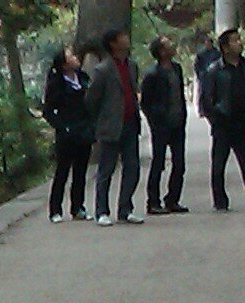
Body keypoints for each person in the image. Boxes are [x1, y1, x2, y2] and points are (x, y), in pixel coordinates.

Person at [199, 28, 245, 211]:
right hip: (223, 125)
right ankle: (220, 202)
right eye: (234, 40)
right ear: (224, 47)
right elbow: (207, 100)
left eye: (239, 39)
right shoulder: (214, 71)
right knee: (218, 166)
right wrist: (216, 118)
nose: (239, 43)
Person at [85, 29, 144, 226]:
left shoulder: (132, 66)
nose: (127, 39)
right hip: (110, 125)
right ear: (113, 43)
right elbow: (92, 99)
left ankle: (125, 209)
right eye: (123, 38)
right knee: (106, 169)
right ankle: (101, 211)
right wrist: (99, 120)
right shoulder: (103, 70)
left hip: (130, 123)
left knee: (132, 167)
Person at [42, 48, 93, 222]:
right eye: (70, 56)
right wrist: (62, 127)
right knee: (62, 172)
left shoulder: (83, 78)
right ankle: (55, 210)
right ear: (64, 64)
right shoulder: (57, 83)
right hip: (67, 134)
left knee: (81, 172)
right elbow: (48, 110)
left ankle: (78, 207)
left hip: (84, 131)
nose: (75, 57)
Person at [140, 37, 189, 213]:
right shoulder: (152, 74)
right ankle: (153, 202)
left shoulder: (177, 69)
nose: (173, 47)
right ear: (161, 52)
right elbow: (145, 102)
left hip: (177, 122)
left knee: (179, 163)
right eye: (168, 45)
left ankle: (173, 199)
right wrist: (155, 119)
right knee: (158, 163)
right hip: (161, 124)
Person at [194, 34, 221, 112]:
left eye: (209, 43)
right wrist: (200, 74)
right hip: (204, 76)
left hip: (215, 76)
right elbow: (197, 65)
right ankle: (202, 109)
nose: (207, 44)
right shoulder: (201, 54)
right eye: (206, 43)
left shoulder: (217, 53)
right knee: (203, 93)